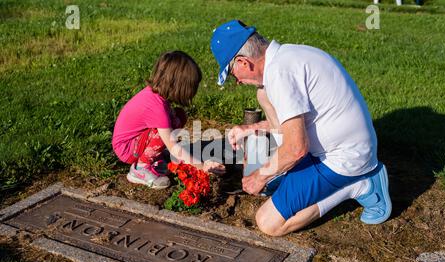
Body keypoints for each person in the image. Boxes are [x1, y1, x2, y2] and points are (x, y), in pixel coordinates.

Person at [210, 20, 392, 236]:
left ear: (243, 62)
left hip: (343, 158)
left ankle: (361, 184)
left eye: (232, 75)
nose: (237, 82)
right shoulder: (287, 57)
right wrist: (252, 128)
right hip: (333, 145)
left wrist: (259, 176)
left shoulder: (280, 75)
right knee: (263, 95)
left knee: (268, 223)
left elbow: (296, 148)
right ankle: (334, 178)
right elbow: (294, 121)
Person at [112, 51, 225, 189]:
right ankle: (140, 168)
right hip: (127, 148)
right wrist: (202, 166)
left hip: (135, 141)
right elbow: (174, 147)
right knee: (164, 131)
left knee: (178, 116)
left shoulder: (157, 96)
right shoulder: (156, 107)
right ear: (179, 85)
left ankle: (153, 156)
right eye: (191, 87)